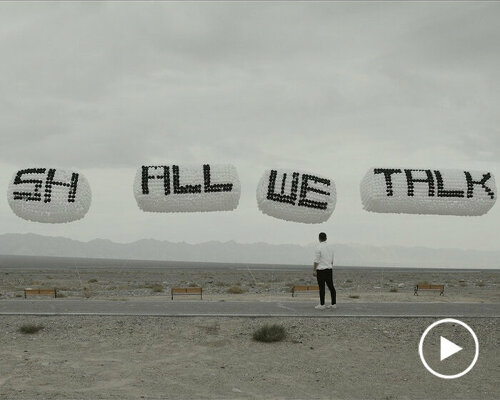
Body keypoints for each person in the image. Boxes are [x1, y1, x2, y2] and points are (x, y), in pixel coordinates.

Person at [313, 232, 336, 310]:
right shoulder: (331, 248)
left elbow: (317, 260)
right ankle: (333, 304)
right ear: (326, 238)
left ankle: (322, 304)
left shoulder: (318, 247)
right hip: (329, 269)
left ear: (319, 238)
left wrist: (314, 270)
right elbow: (332, 260)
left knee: (321, 287)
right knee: (331, 287)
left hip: (321, 270)